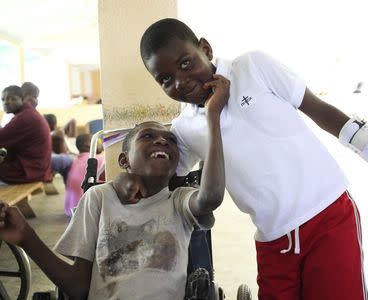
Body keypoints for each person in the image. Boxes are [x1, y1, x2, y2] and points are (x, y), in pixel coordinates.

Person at [114, 18, 368, 299]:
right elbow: (162, 173)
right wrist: (127, 179)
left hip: (328, 216)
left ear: (206, 48)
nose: (181, 82)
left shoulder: (253, 67)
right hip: (272, 240)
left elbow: (325, 113)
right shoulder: (185, 128)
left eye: (186, 63)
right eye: (166, 80)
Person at [0, 76, 227, 299]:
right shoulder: (98, 197)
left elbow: (211, 197)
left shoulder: (179, 201)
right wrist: (26, 237)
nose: (162, 141)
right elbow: (78, 287)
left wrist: (212, 117)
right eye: (148, 136)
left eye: (171, 140)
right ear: (124, 161)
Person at [0, 85, 52, 184]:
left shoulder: (25, 117)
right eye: (3, 99)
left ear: (22, 99)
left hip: (29, 171)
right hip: (34, 167)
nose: (6, 102)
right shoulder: (26, 113)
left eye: (12, 99)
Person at [64, 133, 104, 217]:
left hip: (71, 211)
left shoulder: (76, 161)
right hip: (87, 213)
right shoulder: (98, 160)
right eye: (99, 141)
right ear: (89, 144)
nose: (102, 143)